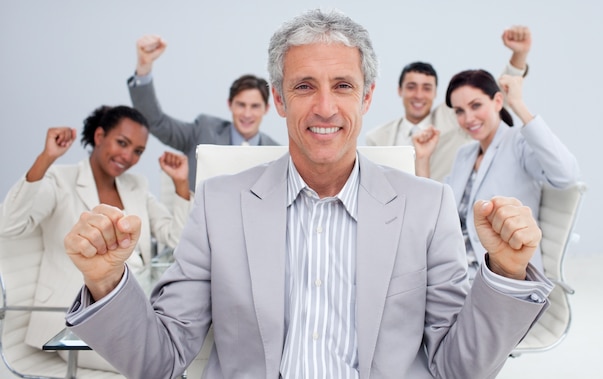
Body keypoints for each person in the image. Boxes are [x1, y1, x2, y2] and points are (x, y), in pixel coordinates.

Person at [63, 10, 554, 379]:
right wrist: (107, 283)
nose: (325, 107)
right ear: (279, 98)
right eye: (303, 86)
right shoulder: (218, 206)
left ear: (366, 96)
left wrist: (507, 272)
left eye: (343, 85)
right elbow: (159, 361)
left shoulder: (427, 206)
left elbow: (458, 367)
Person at [0, 105, 192, 371]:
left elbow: (177, 239)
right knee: (163, 364)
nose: (127, 156)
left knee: (184, 349)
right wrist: (46, 157)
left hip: (131, 311)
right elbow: (9, 225)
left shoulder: (136, 185)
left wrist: (181, 184)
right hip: (73, 323)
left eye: (137, 151)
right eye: (122, 143)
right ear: (100, 136)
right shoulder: (61, 180)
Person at [413, 69, 580, 279]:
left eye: (476, 105)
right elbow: (436, 210)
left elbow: (566, 174)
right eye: (459, 111)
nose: (468, 118)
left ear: (498, 101)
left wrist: (518, 104)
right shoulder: (465, 155)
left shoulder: (518, 142)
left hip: (499, 270)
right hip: (456, 265)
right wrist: (423, 158)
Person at [366, 26, 532, 182]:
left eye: (426, 88)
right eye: (411, 87)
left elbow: (498, 91)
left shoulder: (455, 115)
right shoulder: (377, 137)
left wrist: (519, 55)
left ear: (435, 93)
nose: (418, 95)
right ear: (399, 90)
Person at [128, 34, 280, 190]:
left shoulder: (278, 154)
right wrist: (144, 67)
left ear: (266, 109)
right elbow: (156, 122)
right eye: (241, 105)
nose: (247, 114)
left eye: (255, 106)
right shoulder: (203, 131)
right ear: (230, 105)